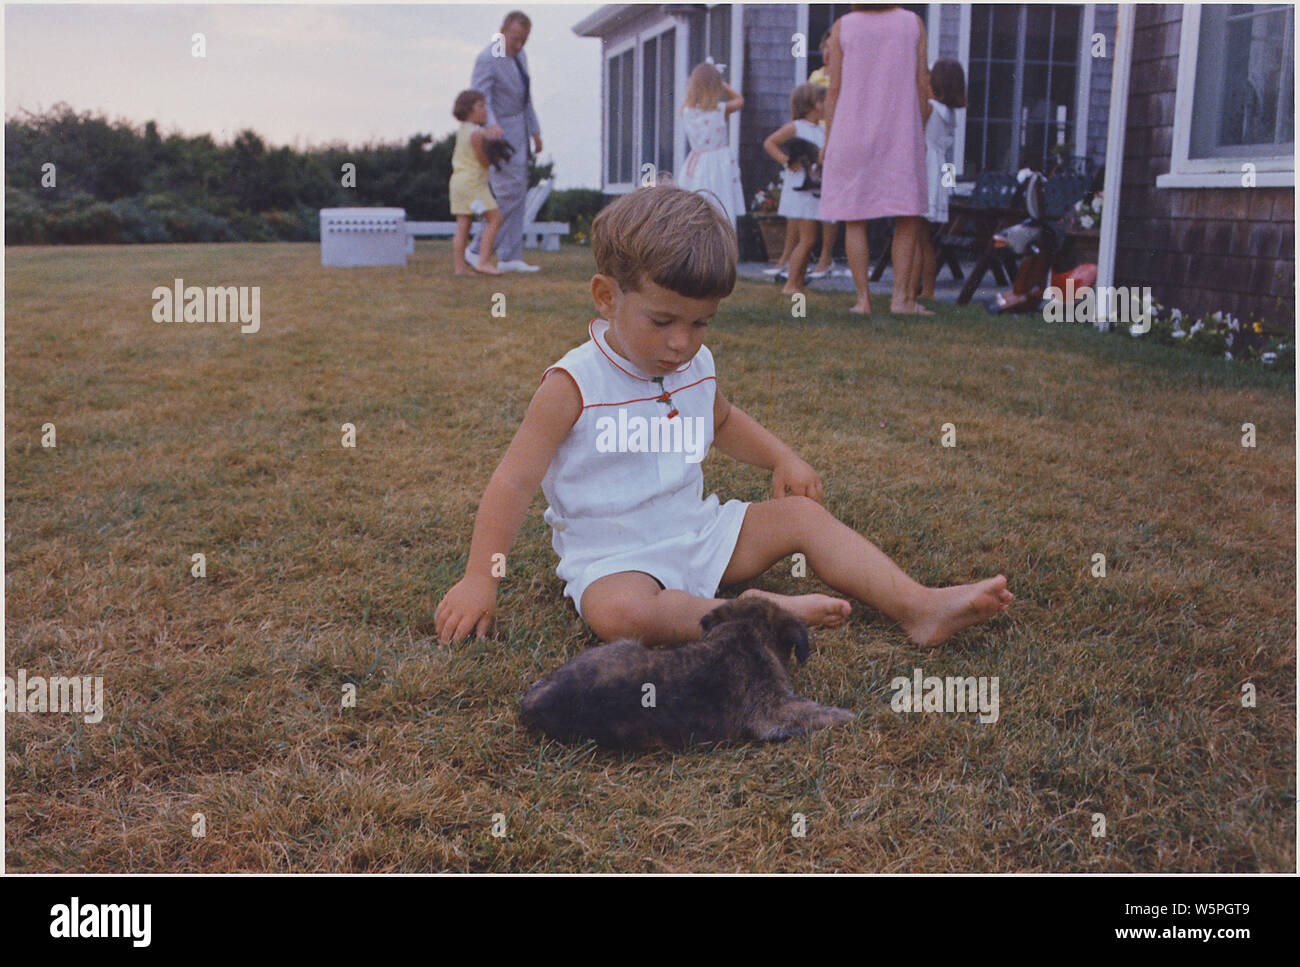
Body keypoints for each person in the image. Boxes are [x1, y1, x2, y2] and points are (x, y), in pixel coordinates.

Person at [434, 186, 1013, 648]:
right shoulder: (573, 384)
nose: (682, 342)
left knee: (801, 518)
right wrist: (481, 577)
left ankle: (919, 607)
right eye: (662, 322)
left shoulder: (695, 364)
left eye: (701, 322)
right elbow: (512, 483)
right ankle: (749, 614)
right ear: (607, 297)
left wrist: (783, 457)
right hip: (615, 559)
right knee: (619, 614)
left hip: (700, 532)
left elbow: (724, 420)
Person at [818, 5, 931, 315]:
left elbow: (834, 89)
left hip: (850, 134)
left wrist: (828, 141)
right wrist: (918, 127)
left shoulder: (844, 26)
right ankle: (901, 300)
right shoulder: (912, 23)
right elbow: (923, 85)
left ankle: (863, 299)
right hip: (901, 133)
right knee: (907, 217)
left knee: (855, 218)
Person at [469, 10, 542, 273]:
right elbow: (480, 98)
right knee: (506, 193)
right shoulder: (487, 58)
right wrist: (491, 125)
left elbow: (526, 98)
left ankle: (511, 255)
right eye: (515, 39)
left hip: (521, 130)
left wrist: (535, 131)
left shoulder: (520, 57)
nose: (519, 45)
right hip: (499, 136)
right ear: (502, 32)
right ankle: (477, 250)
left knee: (519, 192)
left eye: (524, 40)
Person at [762, 83, 827, 296]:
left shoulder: (822, 129)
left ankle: (797, 283)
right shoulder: (796, 127)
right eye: (823, 101)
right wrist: (786, 160)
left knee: (808, 240)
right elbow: (770, 142)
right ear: (813, 105)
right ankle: (790, 283)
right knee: (807, 240)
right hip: (800, 191)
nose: (827, 105)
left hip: (813, 189)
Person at [916, 59, 967, 300]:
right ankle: (926, 290)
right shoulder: (949, 112)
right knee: (923, 238)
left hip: (924, 168)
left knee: (916, 236)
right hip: (937, 170)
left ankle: (912, 289)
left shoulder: (929, 108)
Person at [678, 62, 746, 230]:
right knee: (722, 202)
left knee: (697, 204)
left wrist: (694, 86)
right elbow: (739, 100)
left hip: (697, 163)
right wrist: (723, 85)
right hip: (719, 164)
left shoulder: (686, 111)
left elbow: (687, 102)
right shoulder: (720, 110)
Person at [449, 90, 504, 276]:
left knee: (463, 223)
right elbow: (484, 161)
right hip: (474, 184)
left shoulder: (463, 130)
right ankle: (483, 261)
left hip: (458, 182)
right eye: (480, 105)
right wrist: (495, 143)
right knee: (494, 218)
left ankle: (460, 267)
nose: (485, 110)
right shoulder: (477, 134)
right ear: (468, 110)